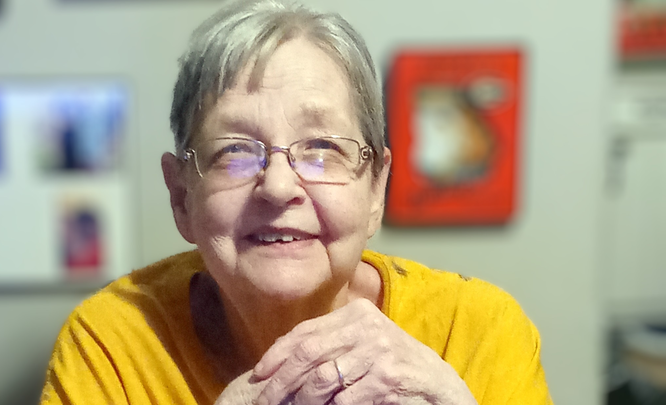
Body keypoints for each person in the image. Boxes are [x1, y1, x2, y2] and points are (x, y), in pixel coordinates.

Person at [40, 1, 553, 404]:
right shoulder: (113, 344)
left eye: (323, 148)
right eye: (235, 151)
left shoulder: (477, 332)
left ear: (375, 188)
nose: (279, 186)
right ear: (181, 196)